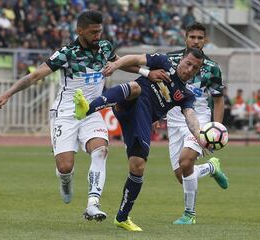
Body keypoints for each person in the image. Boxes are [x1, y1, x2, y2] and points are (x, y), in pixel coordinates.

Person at [0, 10, 124, 222]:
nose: (98, 35)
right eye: (93, 32)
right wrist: (7, 93)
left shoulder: (106, 47)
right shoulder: (66, 53)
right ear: (80, 31)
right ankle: (64, 180)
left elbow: (125, 63)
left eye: (100, 31)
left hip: (91, 112)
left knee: (100, 150)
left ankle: (92, 204)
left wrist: (146, 71)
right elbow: (34, 75)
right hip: (66, 113)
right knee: (65, 167)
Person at [74, 48, 208, 231]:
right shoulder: (164, 61)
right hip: (130, 103)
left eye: (195, 68)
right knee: (135, 87)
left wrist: (199, 135)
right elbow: (134, 58)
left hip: (143, 120)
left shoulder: (186, 95)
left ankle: (122, 217)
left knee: (138, 166)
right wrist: (115, 65)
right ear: (182, 60)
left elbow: (190, 115)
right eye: (188, 63)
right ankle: (87, 108)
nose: (190, 69)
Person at [149, 22, 228, 225]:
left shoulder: (212, 68)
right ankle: (211, 168)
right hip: (174, 121)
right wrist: (154, 114)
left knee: (186, 162)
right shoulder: (171, 60)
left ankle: (189, 215)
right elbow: (158, 86)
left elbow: (219, 101)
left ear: (205, 40)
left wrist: (215, 130)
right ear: (185, 38)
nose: (196, 41)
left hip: (198, 120)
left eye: (200, 38)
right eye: (192, 37)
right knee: (182, 174)